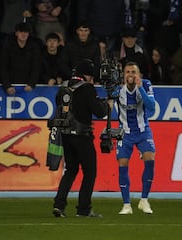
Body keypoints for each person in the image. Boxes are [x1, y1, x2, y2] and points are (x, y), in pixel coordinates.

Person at [52, 60, 110, 218]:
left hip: (65, 135)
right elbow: (99, 112)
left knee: (70, 170)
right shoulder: (87, 89)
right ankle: (83, 209)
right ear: (86, 75)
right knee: (90, 172)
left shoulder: (63, 87)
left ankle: (59, 205)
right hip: (82, 136)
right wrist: (107, 105)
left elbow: (60, 107)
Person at [116, 61, 156, 215]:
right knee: (123, 162)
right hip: (125, 132)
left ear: (139, 75)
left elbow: (152, 107)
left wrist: (141, 89)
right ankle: (126, 204)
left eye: (133, 72)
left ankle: (144, 200)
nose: (130, 75)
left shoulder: (145, 85)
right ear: (123, 75)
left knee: (150, 158)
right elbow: (107, 105)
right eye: (127, 72)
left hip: (142, 130)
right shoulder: (118, 89)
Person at [0, 22, 42, 95]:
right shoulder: (8, 46)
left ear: (28, 34)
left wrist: (31, 84)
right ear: (16, 33)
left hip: (28, 85)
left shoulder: (34, 47)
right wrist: (7, 86)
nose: (23, 34)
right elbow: (3, 67)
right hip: (11, 83)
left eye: (26, 32)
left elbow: (36, 67)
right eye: (21, 32)